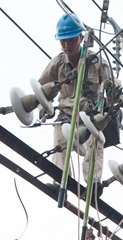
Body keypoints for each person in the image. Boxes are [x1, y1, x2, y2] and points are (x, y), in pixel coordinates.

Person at [38, 12, 115, 186]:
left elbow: (110, 89)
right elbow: (42, 91)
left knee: (95, 140)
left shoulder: (96, 62)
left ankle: (93, 184)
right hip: (66, 114)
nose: (66, 45)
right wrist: (43, 109)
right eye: (63, 41)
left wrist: (111, 103)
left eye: (71, 40)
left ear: (81, 38)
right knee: (59, 141)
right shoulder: (57, 64)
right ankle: (60, 183)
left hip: (90, 116)